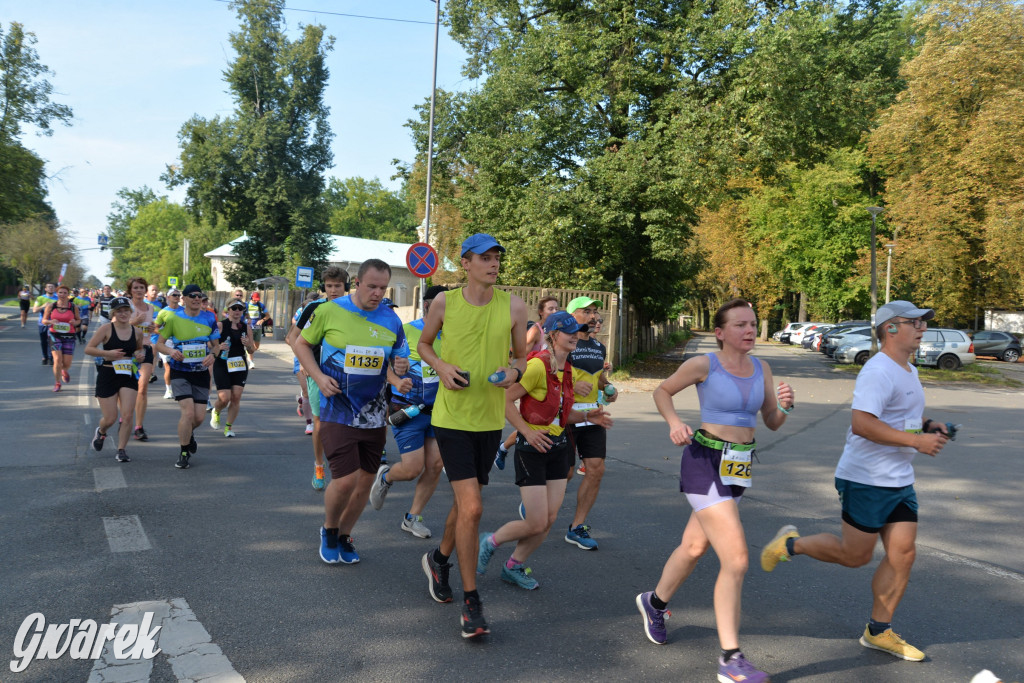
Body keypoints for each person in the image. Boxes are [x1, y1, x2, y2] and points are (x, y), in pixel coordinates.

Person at [760, 300, 948, 663]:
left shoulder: (907, 368)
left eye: (924, 324)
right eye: (916, 323)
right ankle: (791, 544)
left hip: (898, 480)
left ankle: (879, 631)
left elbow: (901, 413)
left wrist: (927, 426)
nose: (923, 329)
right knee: (855, 556)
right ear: (891, 328)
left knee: (903, 554)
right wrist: (915, 441)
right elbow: (862, 423)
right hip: (865, 479)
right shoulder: (878, 371)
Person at [637, 298, 794, 683]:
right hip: (704, 462)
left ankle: (653, 603)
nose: (750, 330)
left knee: (694, 547)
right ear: (720, 333)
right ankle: (730, 658)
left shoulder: (763, 367)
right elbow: (662, 391)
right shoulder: (704, 364)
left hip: (737, 467)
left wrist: (786, 407)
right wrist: (674, 422)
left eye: (753, 323)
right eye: (740, 324)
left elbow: (771, 422)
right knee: (737, 559)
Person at [416, 233, 528, 639]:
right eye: (485, 256)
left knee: (468, 506)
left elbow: (521, 357)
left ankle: (439, 558)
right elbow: (424, 344)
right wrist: (443, 367)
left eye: (497, 256)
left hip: (488, 420)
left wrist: (514, 373)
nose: (493, 263)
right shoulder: (445, 302)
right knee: (474, 507)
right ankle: (471, 602)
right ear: (465, 263)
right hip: (451, 417)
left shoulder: (515, 306)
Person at [477, 311, 613, 590]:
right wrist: (526, 431)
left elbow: (561, 414)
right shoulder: (537, 366)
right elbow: (504, 400)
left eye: (578, 331)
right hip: (532, 449)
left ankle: (513, 566)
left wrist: (590, 417)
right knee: (536, 521)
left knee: (548, 520)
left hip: (559, 448)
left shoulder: (568, 370)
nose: (575, 335)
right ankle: (491, 541)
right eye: (569, 331)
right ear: (553, 335)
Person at [293, 259, 409, 565]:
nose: (377, 293)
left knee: (365, 480)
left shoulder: (391, 319)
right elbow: (300, 344)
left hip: (374, 413)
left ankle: (345, 534)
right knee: (344, 479)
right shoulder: (329, 311)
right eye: (371, 286)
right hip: (337, 408)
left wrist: (400, 372)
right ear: (357, 283)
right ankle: (329, 530)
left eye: (383, 288)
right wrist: (318, 377)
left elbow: (397, 361)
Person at [369, 285, 448, 539]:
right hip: (409, 408)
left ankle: (412, 518)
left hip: (441, 410)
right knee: (413, 468)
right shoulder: (408, 330)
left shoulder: (453, 334)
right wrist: (398, 371)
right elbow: (388, 361)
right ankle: (387, 477)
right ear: (427, 305)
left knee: (435, 465)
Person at [286, 268, 349, 491]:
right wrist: (304, 362)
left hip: (347, 374)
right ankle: (319, 466)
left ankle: (344, 467)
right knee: (320, 422)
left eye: (338, 286)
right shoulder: (314, 307)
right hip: (318, 373)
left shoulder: (355, 309)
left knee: (345, 423)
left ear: (346, 287)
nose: (333, 290)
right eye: (329, 286)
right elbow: (292, 337)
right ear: (324, 287)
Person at [563, 295, 616, 550]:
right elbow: (549, 374)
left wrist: (609, 387)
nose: (594, 315)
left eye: (595, 311)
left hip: (593, 415)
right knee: (566, 472)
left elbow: (598, 378)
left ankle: (577, 527)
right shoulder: (562, 344)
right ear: (573, 316)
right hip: (565, 415)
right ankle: (536, 502)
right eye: (587, 311)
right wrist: (571, 385)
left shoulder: (598, 347)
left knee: (596, 469)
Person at [154, 284, 220, 469]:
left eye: (199, 296)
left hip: (200, 372)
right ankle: (184, 452)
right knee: (188, 412)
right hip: (179, 371)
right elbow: (158, 344)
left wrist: (213, 355)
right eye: (192, 296)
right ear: (184, 299)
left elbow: (216, 345)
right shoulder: (174, 318)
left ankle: (188, 434)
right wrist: (170, 351)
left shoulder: (209, 318)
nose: (197, 298)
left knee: (198, 418)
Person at [495, 295, 560, 469]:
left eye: (557, 308)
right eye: (550, 308)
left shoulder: (555, 330)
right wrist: (515, 372)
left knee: (540, 424)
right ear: (541, 312)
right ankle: (505, 449)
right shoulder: (536, 330)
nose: (555, 311)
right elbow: (519, 354)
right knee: (530, 424)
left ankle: (503, 448)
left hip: (547, 377)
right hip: (532, 375)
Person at [85, 297, 146, 462]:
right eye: (119, 311)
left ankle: (121, 450)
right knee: (110, 418)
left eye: (126, 310)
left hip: (127, 375)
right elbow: (88, 349)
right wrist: (107, 354)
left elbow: (139, 350)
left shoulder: (137, 332)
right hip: (108, 374)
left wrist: (139, 355)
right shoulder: (106, 329)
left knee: (127, 416)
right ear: (113, 313)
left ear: (131, 312)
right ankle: (101, 432)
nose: (123, 313)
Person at [210, 301, 257, 437]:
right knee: (225, 398)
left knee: (236, 397)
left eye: (240, 308)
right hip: (222, 363)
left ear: (243, 311)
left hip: (239, 364)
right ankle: (216, 410)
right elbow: (210, 344)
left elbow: (252, 349)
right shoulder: (220, 325)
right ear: (228, 310)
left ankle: (228, 427)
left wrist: (248, 345)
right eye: (234, 308)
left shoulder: (246, 327)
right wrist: (219, 347)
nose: (237, 311)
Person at [126, 277, 158, 441]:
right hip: (127, 350)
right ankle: (125, 417)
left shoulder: (150, 308)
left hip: (144, 348)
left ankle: (138, 426)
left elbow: (150, 328)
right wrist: (132, 322)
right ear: (130, 290)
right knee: (124, 388)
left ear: (145, 290)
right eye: (135, 288)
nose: (138, 290)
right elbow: (114, 325)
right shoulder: (126, 306)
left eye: (141, 288)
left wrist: (152, 327)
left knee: (143, 386)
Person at [42, 285, 81, 392]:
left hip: (69, 336)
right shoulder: (51, 306)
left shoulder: (73, 307)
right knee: (57, 360)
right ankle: (57, 382)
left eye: (65, 293)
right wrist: (50, 322)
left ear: (68, 294)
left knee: (67, 363)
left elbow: (79, 320)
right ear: (57, 293)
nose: (62, 295)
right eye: (60, 293)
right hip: (55, 335)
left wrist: (75, 322)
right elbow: (44, 321)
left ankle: (64, 370)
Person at [155, 289, 183, 399]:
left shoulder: (184, 311)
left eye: (178, 295)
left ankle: (180, 389)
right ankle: (169, 390)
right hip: (167, 343)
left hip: (180, 342)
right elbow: (156, 328)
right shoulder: (163, 312)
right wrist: (166, 333)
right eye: (174, 295)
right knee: (169, 368)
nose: (176, 297)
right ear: (168, 297)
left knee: (180, 367)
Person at [33, 283, 58, 364]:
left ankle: (51, 357)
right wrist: (43, 306)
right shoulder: (40, 298)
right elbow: (34, 310)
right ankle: (45, 356)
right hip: (42, 323)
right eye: (49, 287)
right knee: (43, 341)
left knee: (51, 340)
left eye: (52, 287)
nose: (50, 288)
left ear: (54, 289)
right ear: (45, 289)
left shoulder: (58, 298)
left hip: (53, 323)